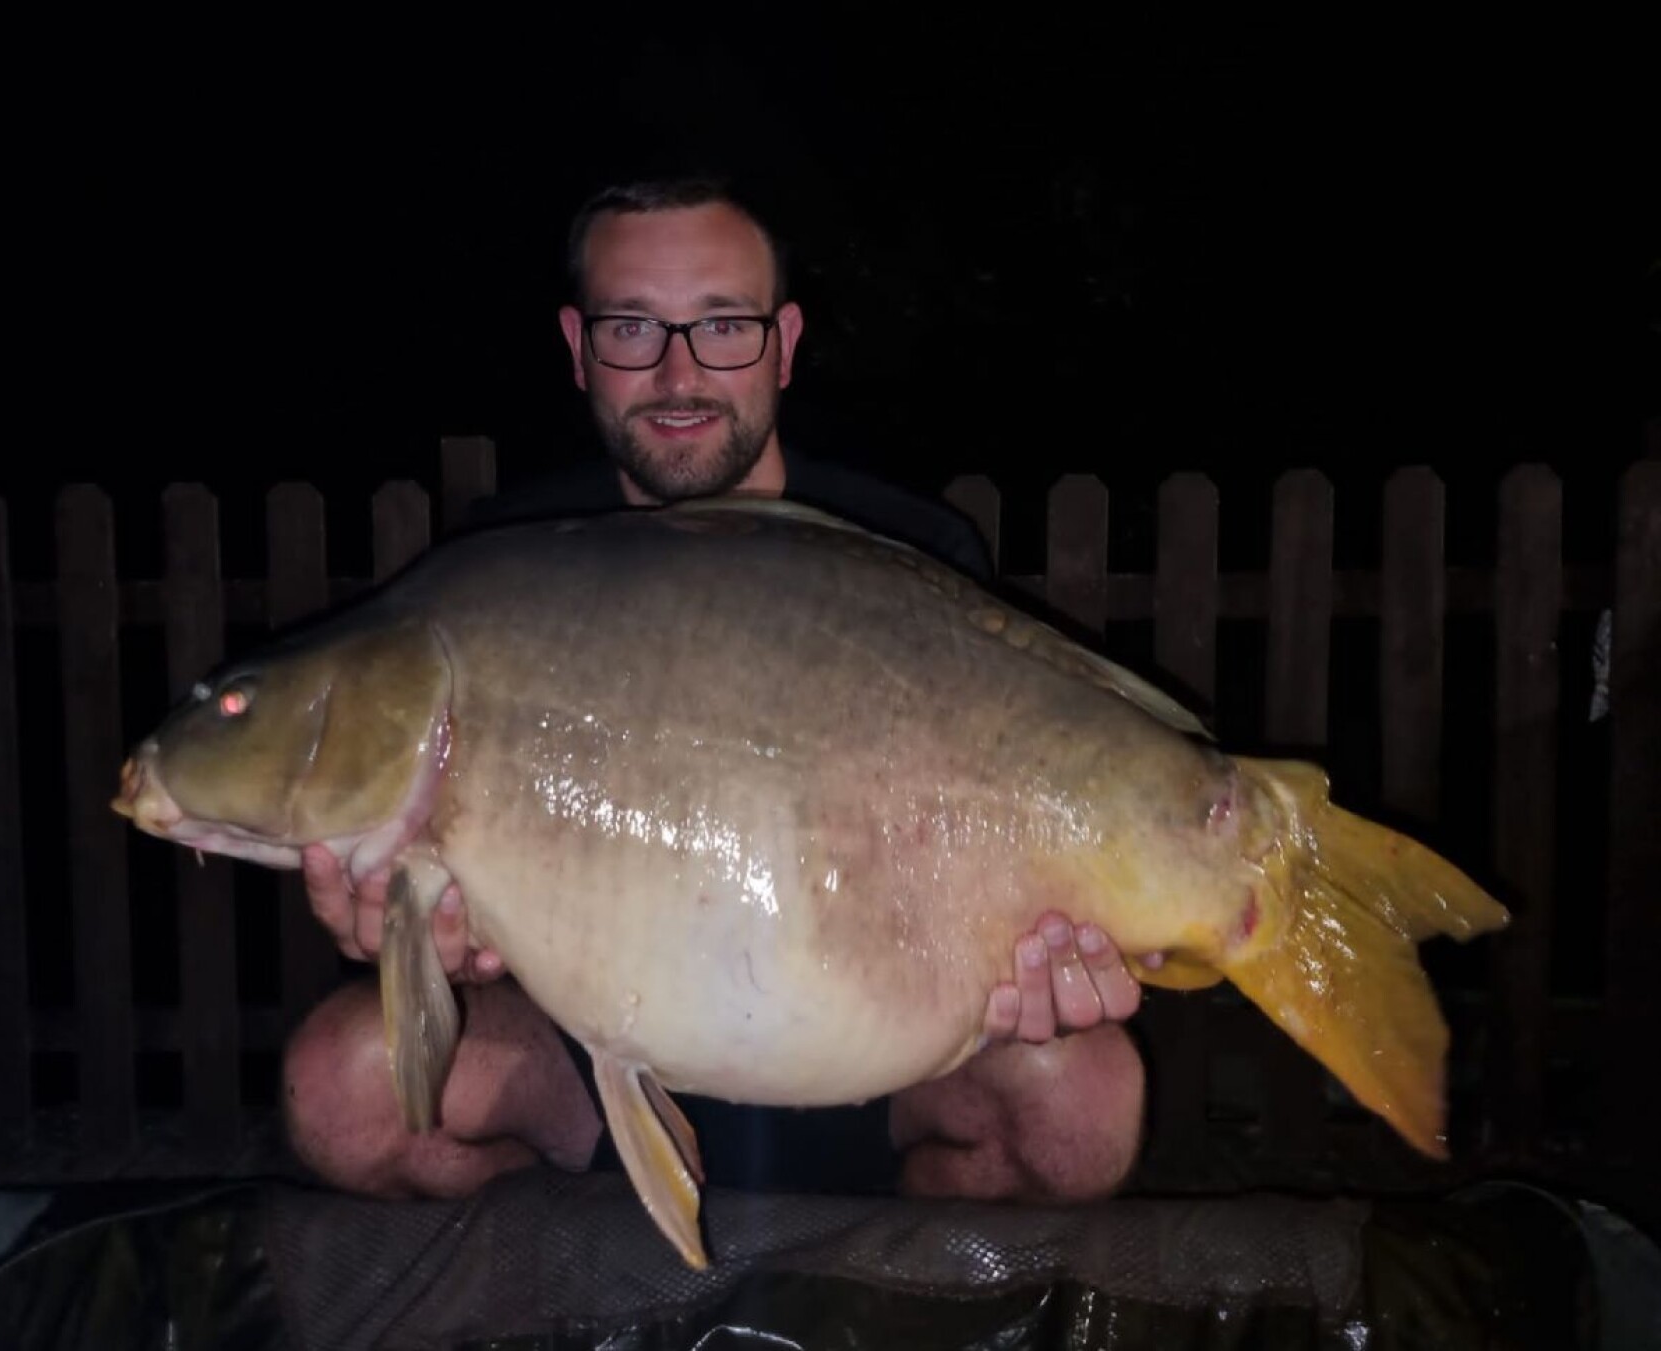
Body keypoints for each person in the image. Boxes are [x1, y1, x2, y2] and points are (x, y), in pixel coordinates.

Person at [281, 176, 1159, 1207]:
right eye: (631, 327)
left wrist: (1045, 955)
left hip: (874, 1045)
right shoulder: (503, 565)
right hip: (590, 1047)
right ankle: (583, 1274)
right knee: (339, 1090)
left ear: (784, 343)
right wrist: (425, 938)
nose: (679, 372)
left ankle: (880, 1283)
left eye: (723, 325)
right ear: (577, 347)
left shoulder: (912, 553)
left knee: (1084, 1107)